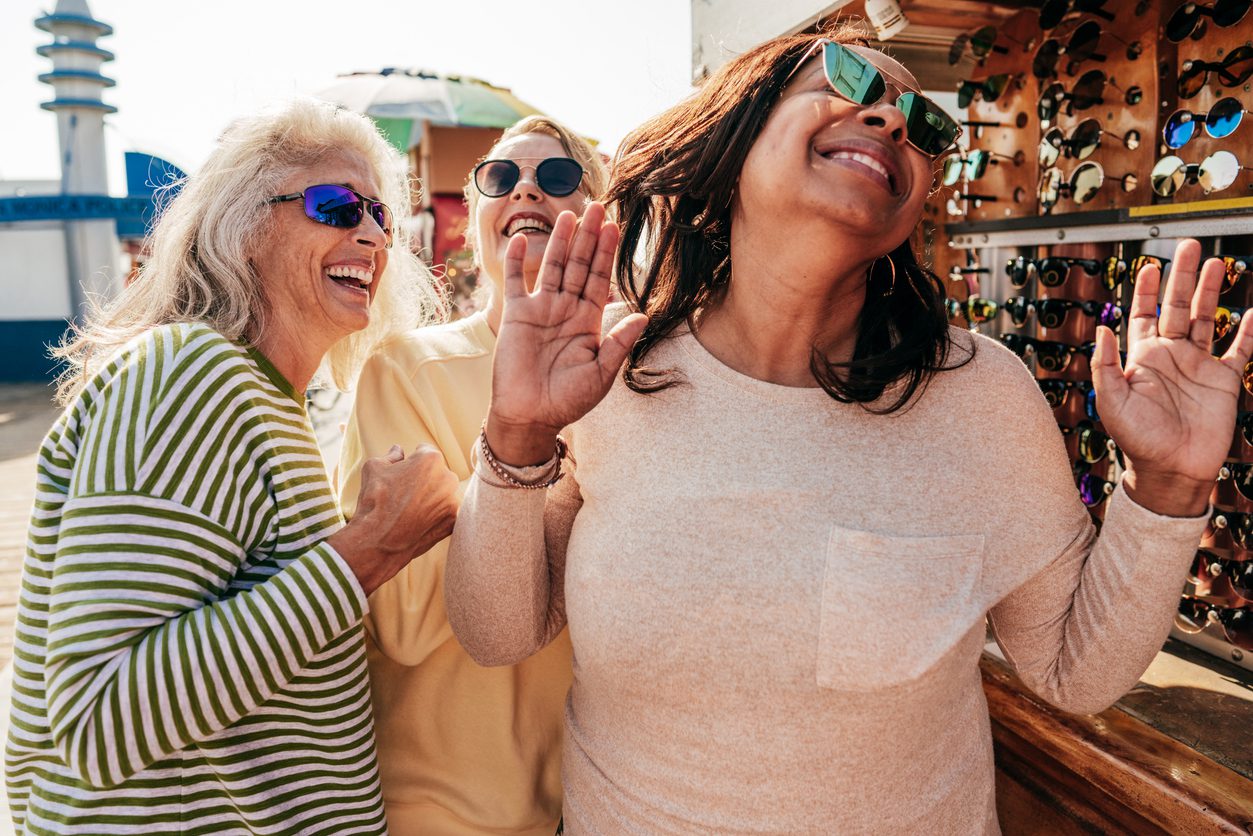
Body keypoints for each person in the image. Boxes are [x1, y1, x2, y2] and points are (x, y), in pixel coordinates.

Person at [443, 26, 1252, 833]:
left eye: (924, 125)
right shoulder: (613, 368)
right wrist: (515, 436)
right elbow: (497, 631)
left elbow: (1073, 671)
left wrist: (1168, 487)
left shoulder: (979, 396)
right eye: (847, 81)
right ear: (740, 131)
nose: (894, 122)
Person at [4, 98, 460, 834]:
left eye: (381, 216)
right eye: (337, 206)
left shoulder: (262, 395)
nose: (373, 236)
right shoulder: (189, 372)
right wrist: (369, 551)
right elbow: (97, 718)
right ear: (245, 227)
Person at [337, 116, 607, 834]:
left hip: (596, 795)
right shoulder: (405, 369)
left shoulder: (642, 372)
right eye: (499, 177)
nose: (524, 188)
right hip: (445, 805)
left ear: (599, 213)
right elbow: (409, 622)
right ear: (477, 214)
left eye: (556, 178)